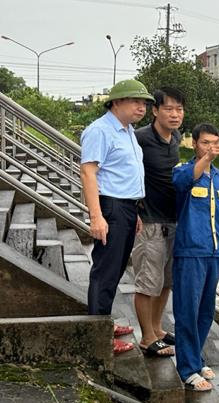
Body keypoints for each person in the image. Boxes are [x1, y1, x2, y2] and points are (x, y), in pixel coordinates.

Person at [80, 79, 154, 355]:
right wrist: (96, 217)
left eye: (145, 103)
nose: (142, 107)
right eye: (136, 101)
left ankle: (104, 323)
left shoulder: (127, 131)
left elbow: (125, 173)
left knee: (116, 268)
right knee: (106, 270)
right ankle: (98, 337)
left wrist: (134, 209)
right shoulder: (100, 131)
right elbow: (89, 172)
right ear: (116, 102)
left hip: (126, 207)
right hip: (110, 207)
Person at [171, 123, 219, 391]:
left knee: (205, 311)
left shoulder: (217, 176)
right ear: (194, 144)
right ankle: (188, 369)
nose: (210, 148)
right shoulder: (183, 171)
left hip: (212, 251)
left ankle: (196, 359)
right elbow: (183, 183)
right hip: (190, 251)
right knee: (187, 310)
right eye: (205, 143)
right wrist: (206, 159)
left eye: (214, 143)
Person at [131, 87, 185, 357]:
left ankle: (157, 328)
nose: (175, 115)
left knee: (165, 281)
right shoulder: (139, 138)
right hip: (150, 220)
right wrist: (135, 209)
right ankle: (146, 337)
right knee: (147, 281)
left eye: (179, 109)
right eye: (169, 109)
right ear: (155, 111)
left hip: (173, 220)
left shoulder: (175, 137)